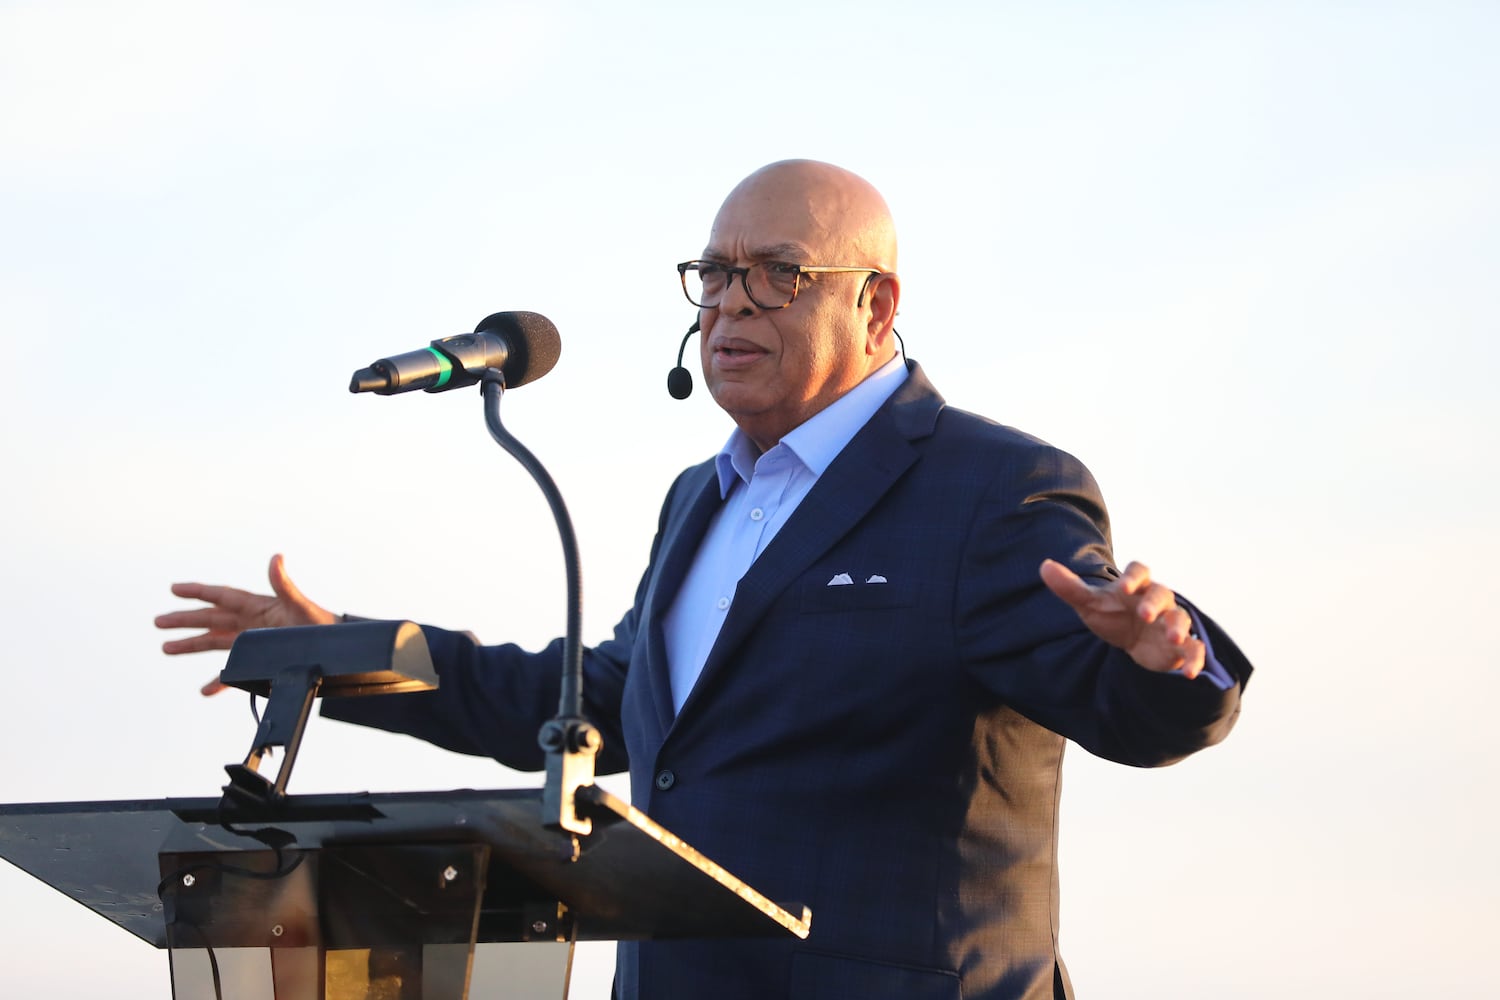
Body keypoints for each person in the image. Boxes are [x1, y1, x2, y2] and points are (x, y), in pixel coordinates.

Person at [156, 159, 1252, 1000]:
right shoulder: (700, 497)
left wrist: (1167, 659)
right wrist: (347, 651)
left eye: (781, 273)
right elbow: (598, 705)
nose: (732, 303)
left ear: (876, 304)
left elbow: (1115, 686)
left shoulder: (992, 487)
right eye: (717, 274)